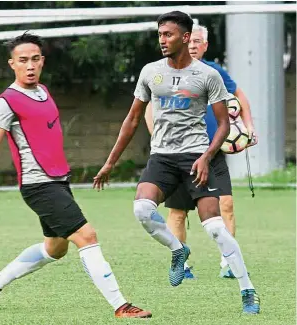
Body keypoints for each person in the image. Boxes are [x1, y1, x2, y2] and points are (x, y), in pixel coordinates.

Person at [0, 32, 152, 319]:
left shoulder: (42, 91)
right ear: (12, 64)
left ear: (42, 61)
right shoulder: (7, 102)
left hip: (58, 180)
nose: (29, 65)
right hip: (38, 185)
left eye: (35, 59)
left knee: (55, 249)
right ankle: (121, 306)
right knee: (87, 236)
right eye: (22, 60)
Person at [93, 12, 260, 314]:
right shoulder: (150, 72)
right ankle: (178, 249)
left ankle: (247, 289)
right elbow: (131, 119)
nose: (162, 40)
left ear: (185, 37)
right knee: (142, 209)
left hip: (198, 157)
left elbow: (223, 124)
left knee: (215, 228)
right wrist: (109, 163)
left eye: (168, 35)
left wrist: (207, 156)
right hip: (162, 158)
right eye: (160, 34)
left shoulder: (208, 75)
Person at [144, 23, 258, 279]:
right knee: (178, 211)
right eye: (190, 40)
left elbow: (239, 96)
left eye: (198, 42)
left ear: (205, 46)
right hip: (178, 154)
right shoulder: (164, 71)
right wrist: (158, 138)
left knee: (226, 205)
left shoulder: (214, 72)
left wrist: (248, 128)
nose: (193, 45)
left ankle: (227, 264)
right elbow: (150, 107)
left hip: (213, 154)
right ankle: (181, 264)